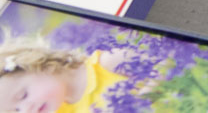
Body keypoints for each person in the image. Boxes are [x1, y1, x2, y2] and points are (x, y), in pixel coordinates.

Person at [0, 41, 131, 113]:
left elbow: (144, 61)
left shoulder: (108, 63)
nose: (26, 110)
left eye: (23, 95)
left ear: (39, 64)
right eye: (16, 111)